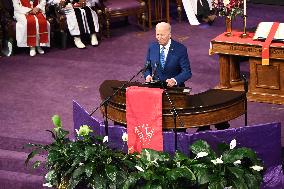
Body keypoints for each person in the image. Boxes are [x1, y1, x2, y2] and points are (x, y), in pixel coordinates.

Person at [144, 22, 192, 87]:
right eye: (157, 34)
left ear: (169, 35)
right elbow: (147, 67)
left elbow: (187, 72)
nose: (159, 37)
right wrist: (148, 75)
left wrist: (174, 80)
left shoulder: (180, 49)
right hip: (156, 87)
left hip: (174, 88)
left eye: (162, 35)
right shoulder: (152, 47)